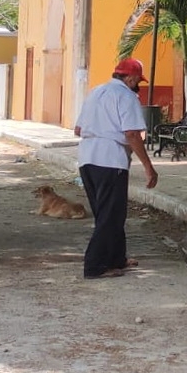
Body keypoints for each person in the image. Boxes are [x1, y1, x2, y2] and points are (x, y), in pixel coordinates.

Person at [73, 57, 159, 279]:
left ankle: (116, 258)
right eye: (138, 80)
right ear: (130, 78)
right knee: (110, 216)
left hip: (87, 158)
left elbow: (77, 129)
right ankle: (94, 266)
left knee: (109, 213)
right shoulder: (126, 96)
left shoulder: (95, 92)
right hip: (110, 160)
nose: (138, 84)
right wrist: (149, 167)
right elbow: (131, 134)